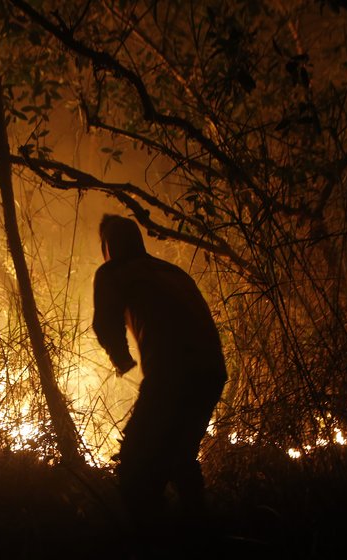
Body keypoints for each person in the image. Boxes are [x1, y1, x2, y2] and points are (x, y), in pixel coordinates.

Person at [91, 214, 227, 548]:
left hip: (171, 373)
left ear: (108, 247)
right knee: (182, 455)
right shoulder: (172, 271)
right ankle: (203, 537)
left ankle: (152, 542)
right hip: (212, 372)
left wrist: (121, 359)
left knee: (133, 467)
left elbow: (105, 324)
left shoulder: (113, 272)